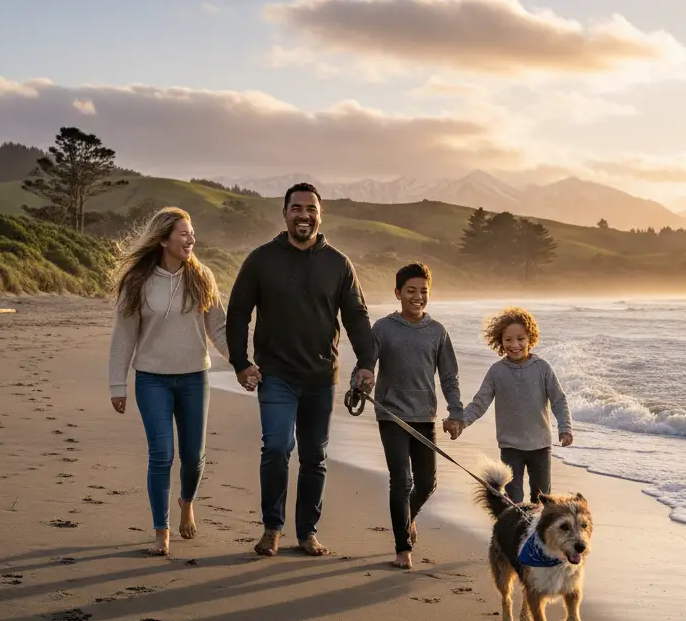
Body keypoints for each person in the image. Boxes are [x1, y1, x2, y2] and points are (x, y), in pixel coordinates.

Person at [226, 183, 376, 557]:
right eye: (296, 208)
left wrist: (366, 364)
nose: (303, 215)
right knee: (277, 447)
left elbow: (357, 317)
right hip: (275, 374)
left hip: (321, 377)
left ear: (320, 215)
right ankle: (272, 528)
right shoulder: (261, 259)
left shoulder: (338, 264)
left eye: (311, 209)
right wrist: (240, 362)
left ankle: (307, 532)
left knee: (314, 457)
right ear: (285, 214)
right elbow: (239, 312)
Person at [108, 207, 228, 557]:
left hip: (194, 378)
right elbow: (123, 336)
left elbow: (218, 329)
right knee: (161, 454)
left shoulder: (202, 276)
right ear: (164, 239)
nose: (191, 239)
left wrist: (244, 364)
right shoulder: (138, 282)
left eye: (192, 233)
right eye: (184, 233)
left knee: (193, 457)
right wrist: (117, 385)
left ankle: (186, 501)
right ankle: (161, 530)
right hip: (151, 380)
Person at [363, 262, 464, 570]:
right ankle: (403, 547)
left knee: (427, 483)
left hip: (424, 416)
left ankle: (409, 517)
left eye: (423, 291)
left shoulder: (437, 332)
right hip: (391, 414)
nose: (418, 297)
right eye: (411, 291)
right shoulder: (383, 328)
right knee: (401, 480)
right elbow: (366, 363)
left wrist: (456, 412)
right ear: (398, 293)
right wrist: (361, 380)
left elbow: (449, 377)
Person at [457, 306, 572, 504]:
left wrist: (565, 427)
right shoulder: (497, 371)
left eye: (520, 339)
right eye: (508, 339)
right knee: (513, 501)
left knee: (541, 501)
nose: (515, 345)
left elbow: (559, 400)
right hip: (510, 447)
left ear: (530, 339)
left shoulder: (542, 368)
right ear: (500, 341)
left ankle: (536, 526)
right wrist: (461, 422)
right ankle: (516, 525)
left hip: (540, 446)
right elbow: (480, 402)